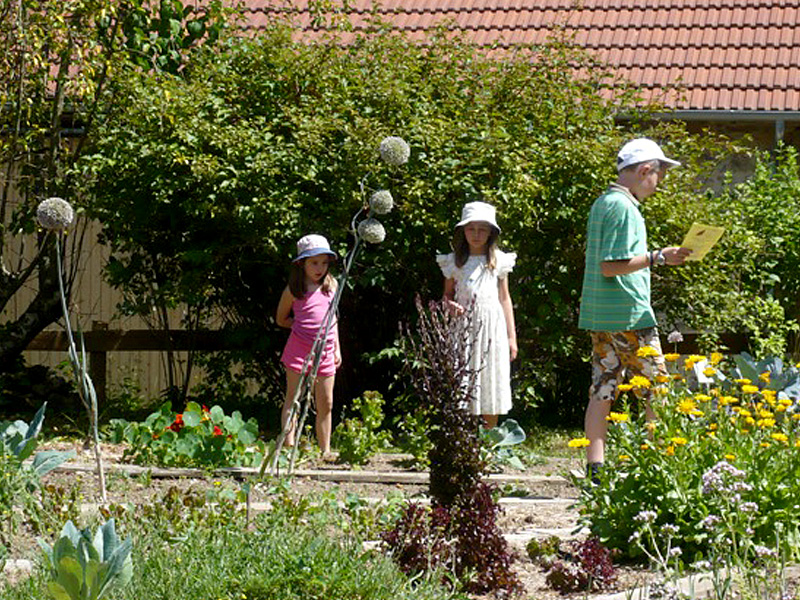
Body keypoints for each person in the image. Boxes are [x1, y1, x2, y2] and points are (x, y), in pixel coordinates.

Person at [578, 138, 691, 481]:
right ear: (645, 170)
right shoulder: (625, 208)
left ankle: (595, 473)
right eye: (659, 174)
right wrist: (659, 256)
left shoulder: (603, 202)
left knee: (603, 388)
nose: (659, 183)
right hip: (628, 315)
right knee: (660, 391)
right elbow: (611, 265)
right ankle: (657, 467)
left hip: (601, 315)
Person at [437, 201, 517, 428]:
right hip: (464, 329)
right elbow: (446, 296)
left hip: (492, 328)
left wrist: (512, 337)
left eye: (482, 229)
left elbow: (504, 298)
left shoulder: (499, 260)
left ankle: (488, 441)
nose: (476, 234)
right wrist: (450, 306)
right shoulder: (453, 262)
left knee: (490, 379)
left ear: (491, 231)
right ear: (463, 230)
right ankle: (465, 437)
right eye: (471, 228)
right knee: (465, 380)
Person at [276, 234, 341, 457]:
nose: (319, 268)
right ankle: (289, 448)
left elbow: (333, 319)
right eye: (314, 262)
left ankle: (325, 450)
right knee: (293, 399)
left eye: (324, 263)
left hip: (326, 352)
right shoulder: (294, 290)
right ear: (301, 263)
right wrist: (301, 327)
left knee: (327, 402)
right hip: (299, 351)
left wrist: (336, 348)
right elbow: (281, 319)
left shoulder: (331, 285)